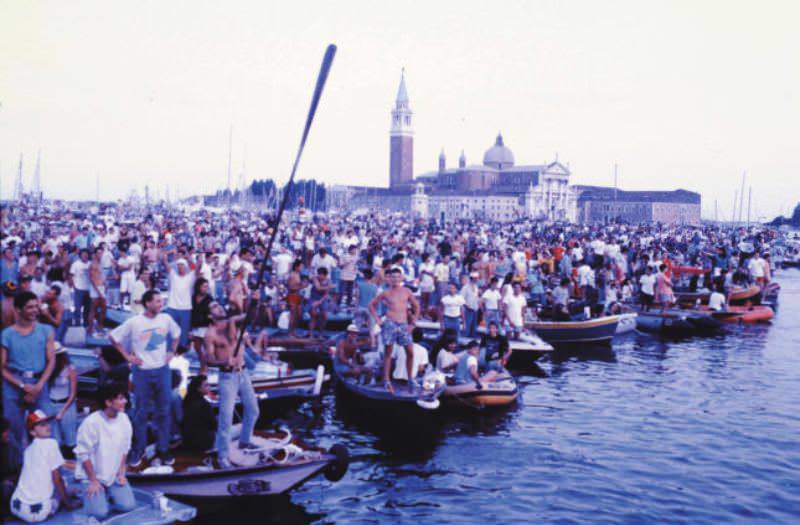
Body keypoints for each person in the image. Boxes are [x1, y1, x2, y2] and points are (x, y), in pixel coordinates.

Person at [109, 289, 180, 467]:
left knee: (164, 411)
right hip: (141, 372)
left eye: (161, 301)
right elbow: (113, 337)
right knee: (141, 412)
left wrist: (172, 351)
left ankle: (163, 449)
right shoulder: (134, 322)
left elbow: (177, 335)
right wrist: (127, 357)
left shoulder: (166, 319)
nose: (160, 304)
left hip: (163, 371)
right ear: (147, 303)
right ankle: (139, 448)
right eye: (157, 301)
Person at [1, 291, 56, 464]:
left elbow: (51, 361)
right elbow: (2, 367)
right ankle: (16, 471)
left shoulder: (46, 330)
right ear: (18, 310)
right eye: (30, 307)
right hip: (14, 385)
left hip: (39, 383)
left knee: (43, 429)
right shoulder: (7, 334)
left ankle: (42, 468)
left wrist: (39, 386)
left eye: (36, 306)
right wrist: (23, 386)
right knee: (13, 432)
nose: (35, 310)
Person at [205, 302, 259, 469]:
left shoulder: (232, 323)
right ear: (210, 316)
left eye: (219, 305)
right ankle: (223, 456)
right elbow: (209, 360)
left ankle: (244, 441)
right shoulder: (210, 334)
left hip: (243, 373)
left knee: (253, 409)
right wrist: (224, 361)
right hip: (227, 376)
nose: (219, 307)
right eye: (214, 307)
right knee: (226, 418)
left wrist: (255, 301)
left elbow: (249, 315)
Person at [74, 384, 137, 520]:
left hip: (113, 475)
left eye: (124, 398)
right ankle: (84, 491)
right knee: (99, 513)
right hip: (92, 476)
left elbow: (125, 448)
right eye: (120, 398)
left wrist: (121, 473)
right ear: (108, 402)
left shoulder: (124, 419)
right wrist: (93, 480)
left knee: (128, 506)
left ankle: (107, 494)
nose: (125, 401)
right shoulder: (91, 423)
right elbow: (82, 453)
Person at [9, 410, 79, 523]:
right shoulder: (51, 444)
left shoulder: (28, 450)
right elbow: (57, 479)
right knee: (65, 486)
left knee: (63, 485)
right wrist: (68, 503)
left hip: (15, 505)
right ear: (32, 432)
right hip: (37, 512)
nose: (47, 426)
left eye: (47, 423)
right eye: (42, 425)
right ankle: (64, 499)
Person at [368, 267, 421, 394]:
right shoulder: (385, 293)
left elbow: (417, 306)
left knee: (410, 352)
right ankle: (387, 380)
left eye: (397, 277)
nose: (395, 279)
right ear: (389, 279)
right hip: (390, 323)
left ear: (402, 278)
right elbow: (371, 305)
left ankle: (410, 378)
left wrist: (413, 323)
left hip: (403, 324)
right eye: (393, 277)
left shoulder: (407, 291)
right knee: (388, 353)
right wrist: (378, 320)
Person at [48, 345, 78, 458]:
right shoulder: (48, 368)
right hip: (51, 404)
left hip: (66, 405)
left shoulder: (70, 369)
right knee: (54, 438)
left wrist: (63, 410)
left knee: (70, 436)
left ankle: (70, 460)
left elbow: (73, 393)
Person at [165, 257, 200, 351]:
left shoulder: (191, 276)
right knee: (171, 330)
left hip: (186, 308)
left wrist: (199, 260)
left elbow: (198, 269)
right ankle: (170, 349)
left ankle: (182, 350)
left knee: (184, 331)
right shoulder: (173, 275)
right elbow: (166, 264)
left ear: (186, 267)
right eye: (178, 265)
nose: (180, 267)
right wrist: (164, 258)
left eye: (182, 265)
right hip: (172, 307)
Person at [181, 375, 216, 452]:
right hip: (202, 443)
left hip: (187, 441)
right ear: (199, 389)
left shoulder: (187, 399)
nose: (209, 387)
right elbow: (213, 425)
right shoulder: (205, 404)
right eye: (206, 385)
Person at [190, 277, 213, 374]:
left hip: (206, 327)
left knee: (207, 349)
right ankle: (202, 365)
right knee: (198, 349)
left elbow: (213, 313)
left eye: (207, 287)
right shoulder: (193, 297)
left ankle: (205, 367)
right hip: (196, 327)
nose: (206, 288)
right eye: (204, 286)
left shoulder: (209, 299)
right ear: (199, 287)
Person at [87, 247, 107, 337]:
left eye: (101, 253)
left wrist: (104, 283)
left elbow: (100, 276)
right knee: (93, 309)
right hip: (95, 289)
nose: (100, 255)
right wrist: (98, 291)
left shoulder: (100, 263)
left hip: (101, 287)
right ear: (95, 254)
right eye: (98, 253)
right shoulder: (93, 264)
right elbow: (91, 279)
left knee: (103, 308)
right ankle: (90, 329)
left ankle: (100, 326)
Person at [68, 249, 91, 326]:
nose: (85, 255)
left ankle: (86, 325)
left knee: (87, 309)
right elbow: (71, 276)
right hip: (79, 288)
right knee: (77, 309)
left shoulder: (90, 264)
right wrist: (74, 287)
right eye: (83, 254)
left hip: (88, 290)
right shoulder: (75, 264)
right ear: (80, 255)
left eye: (86, 254)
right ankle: (77, 325)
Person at [309, 267, 331, 338]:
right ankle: (311, 334)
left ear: (325, 275)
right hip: (313, 298)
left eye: (321, 275)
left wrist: (320, 301)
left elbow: (326, 294)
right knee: (313, 316)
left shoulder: (328, 281)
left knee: (324, 316)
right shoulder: (315, 279)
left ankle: (321, 334)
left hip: (322, 299)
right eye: (319, 274)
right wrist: (329, 287)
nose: (319, 276)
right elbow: (318, 287)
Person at [286, 260, 303, 337]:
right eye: (300, 266)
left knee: (297, 315)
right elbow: (291, 287)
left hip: (297, 295)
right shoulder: (292, 275)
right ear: (296, 267)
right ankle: (290, 333)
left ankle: (293, 331)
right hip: (292, 296)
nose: (302, 268)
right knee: (292, 315)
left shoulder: (298, 274)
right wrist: (301, 286)